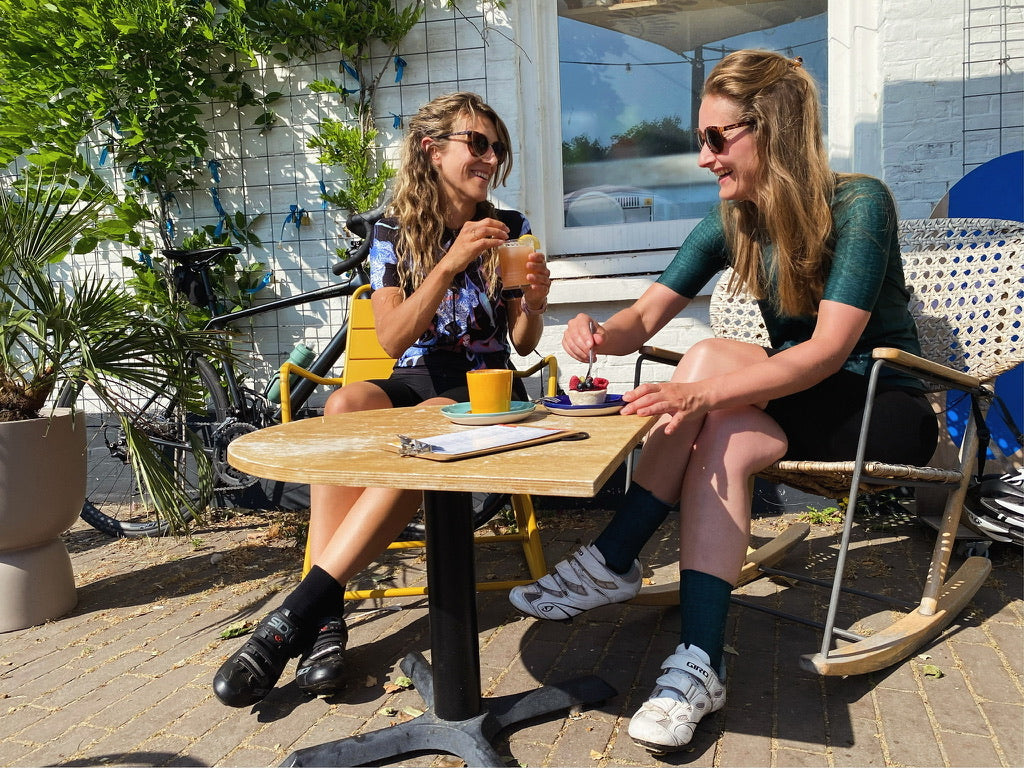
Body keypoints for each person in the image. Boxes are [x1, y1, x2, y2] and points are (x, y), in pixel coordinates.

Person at [509, 50, 938, 754]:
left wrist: (701, 390)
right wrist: (595, 331)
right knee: (722, 420)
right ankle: (698, 663)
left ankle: (616, 556)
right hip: (795, 400)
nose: (703, 157)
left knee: (711, 376)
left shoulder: (860, 205)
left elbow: (830, 351)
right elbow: (642, 319)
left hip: (879, 405)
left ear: (771, 127)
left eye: (715, 138)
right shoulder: (732, 221)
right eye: (698, 140)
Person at [213, 91, 551, 707]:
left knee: (418, 435)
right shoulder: (395, 231)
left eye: (496, 147)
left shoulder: (512, 228)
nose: (490, 157)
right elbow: (394, 340)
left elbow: (522, 345)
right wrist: (448, 263)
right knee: (343, 407)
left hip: (481, 381)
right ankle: (326, 613)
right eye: (477, 143)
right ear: (433, 148)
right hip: (416, 374)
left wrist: (533, 302)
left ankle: (301, 613)